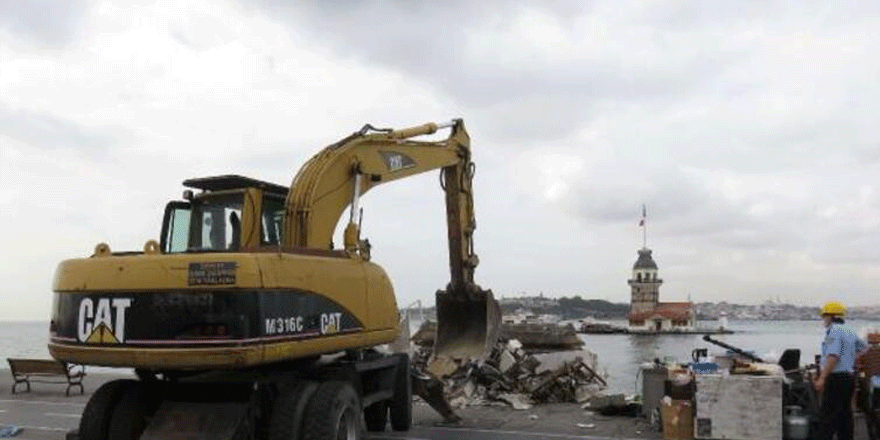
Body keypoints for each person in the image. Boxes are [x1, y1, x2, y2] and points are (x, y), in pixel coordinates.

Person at [814, 301, 868, 440]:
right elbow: (864, 348)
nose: (823, 319)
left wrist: (822, 378)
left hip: (836, 378)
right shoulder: (849, 330)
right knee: (845, 415)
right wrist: (850, 358)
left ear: (831, 316)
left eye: (824, 316)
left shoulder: (834, 331)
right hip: (848, 377)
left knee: (828, 416)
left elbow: (833, 356)